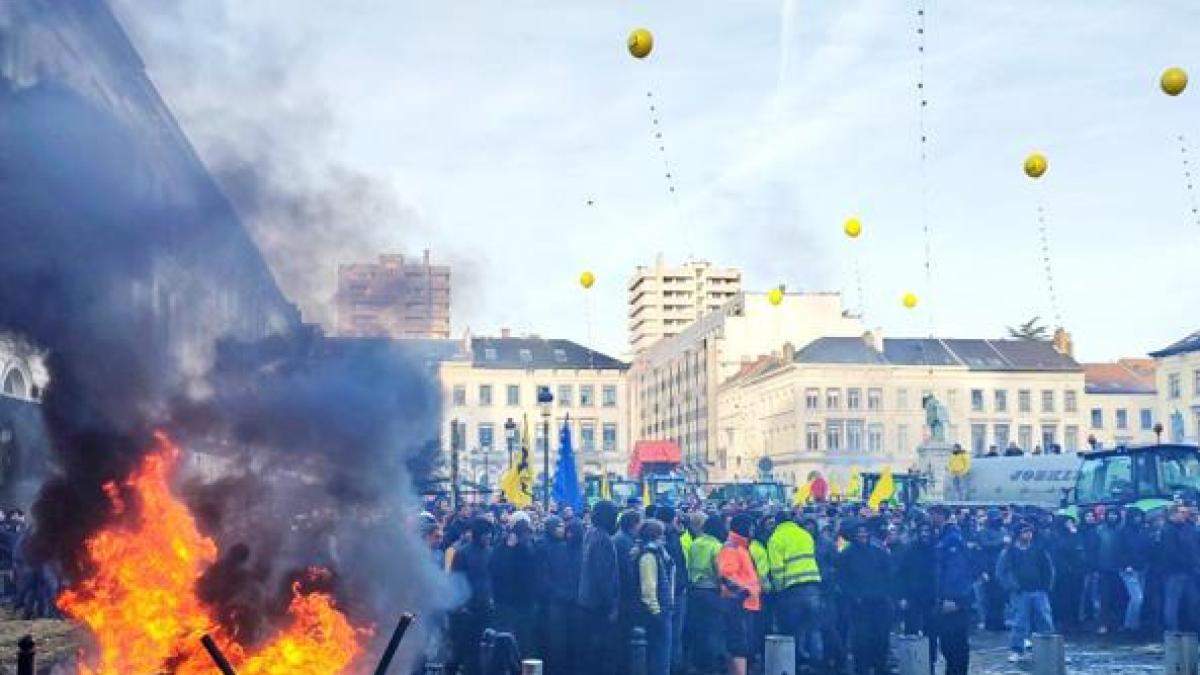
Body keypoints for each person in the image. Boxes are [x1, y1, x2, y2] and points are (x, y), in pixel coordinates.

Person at [838, 520, 893, 675]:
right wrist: (854, 596)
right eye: (859, 532)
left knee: (881, 639)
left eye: (865, 531)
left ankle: (879, 668)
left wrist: (886, 593)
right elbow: (842, 580)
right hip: (859, 605)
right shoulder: (846, 554)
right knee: (861, 642)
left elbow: (889, 573)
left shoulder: (878, 552)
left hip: (879, 603)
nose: (862, 535)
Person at [768, 512, 823, 670]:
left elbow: (777, 569)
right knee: (814, 629)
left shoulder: (776, 538)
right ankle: (817, 664)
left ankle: (794, 665)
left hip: (792, 589)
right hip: (813, 585)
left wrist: (778, 589)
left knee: (792, 630)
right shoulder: (805, 534)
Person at [996, 522, 1055, 663]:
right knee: (1020, 622)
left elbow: (1049, 569)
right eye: (1025, 532)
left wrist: (1047, 586)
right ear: (1018, 534)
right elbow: (1002, 572)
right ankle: (1016, 650)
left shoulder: (1038, 550)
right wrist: (1012, 586)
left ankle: (1048, 649)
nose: (1028, 534)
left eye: (1030, 532)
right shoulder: (1009, 552)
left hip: (1039, 591)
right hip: (1020, 593)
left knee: (1045, 619)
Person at [449, 517, 495, 675]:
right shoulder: (462, 553)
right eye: (485, 534)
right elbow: (456, 581)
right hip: (468, 611)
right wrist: (461, 606)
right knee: (464, 651)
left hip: (486, 608)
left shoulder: (491, 552)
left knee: (483, 650)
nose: (489, 537)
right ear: (477, 534)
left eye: (490, 534)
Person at [579, 500, 621, 675]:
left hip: (586, 599)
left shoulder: (590, 532)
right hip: (599, 604)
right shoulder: (604, 539)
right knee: (601, 650)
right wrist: (612, 606)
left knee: (590, 649)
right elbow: (604, 576)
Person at [717, 514, 761, 675]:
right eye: (750, 526)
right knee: (739, 646)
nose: (753, 530)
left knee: (741, 645)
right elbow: (726, 574)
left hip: (745, 603)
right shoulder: (732, 547)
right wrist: (743, 592)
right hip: (739, 603)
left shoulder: (741, 547)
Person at [538, 516, 582, 675]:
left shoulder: (565, 547)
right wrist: (556, 592)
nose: (562, 530)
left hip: (569, 599)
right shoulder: (544, 546)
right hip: (555, 601)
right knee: (557, 642)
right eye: (559, 526)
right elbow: (544, 576)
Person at [633, 519, 676, 675]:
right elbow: (648, 588)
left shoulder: (656, 553)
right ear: (655, 535)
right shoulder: (648, 556)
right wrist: (657, 612)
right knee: (659, 656)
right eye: (661, 534)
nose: (664, 537)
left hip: (663, 610)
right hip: (657, 613)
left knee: (661, 655)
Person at [687, 514, 727, 673]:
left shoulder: (695, 543)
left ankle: (698, 662)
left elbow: (689, 564)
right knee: (713, 629)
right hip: (712, 591)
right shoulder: (717, 546)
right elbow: (720, 571)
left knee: (699, 628)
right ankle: (712, 665)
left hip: (695, 590)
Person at [934, 521, 973, 675]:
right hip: (952, 598)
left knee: (953, 643)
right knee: (951, 643)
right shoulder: (946, 540)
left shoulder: (951, 542)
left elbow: (954, 572)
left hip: (953, 600)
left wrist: (951, 598)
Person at [1160, 504, 1197, 631]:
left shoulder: (1185, 528)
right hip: (1174, 572)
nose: (1185, 515)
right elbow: (1171, 552)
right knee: (1172, 602)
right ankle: (1171, 629)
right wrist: (1188, 563)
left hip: (1187, 571)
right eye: (1182, 512)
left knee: (1192, 600)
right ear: (1173, 514)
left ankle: (1190, 627)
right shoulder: (1168, 530)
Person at [1119, 507, 1151, 633]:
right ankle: (1130, 625)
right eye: (1135, 516)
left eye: (1139, 516)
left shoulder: (1143, 531)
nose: (1138, 519)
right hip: (1129, 569)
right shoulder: (1123, 532)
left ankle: (1133, 625)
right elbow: (1120, 550)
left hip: (1142, 567)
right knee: (1138, 598)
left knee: (1136, 599)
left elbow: (1147, 548)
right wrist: (1126, 564)